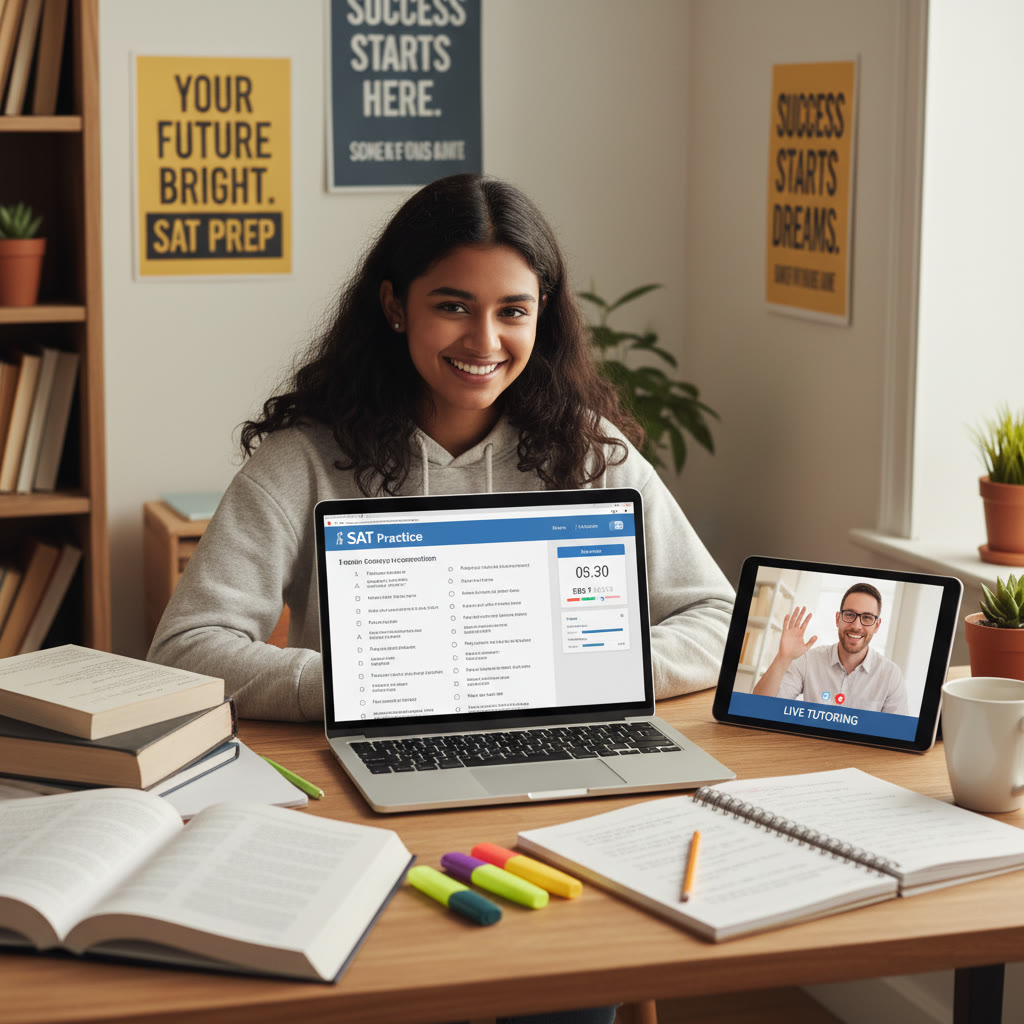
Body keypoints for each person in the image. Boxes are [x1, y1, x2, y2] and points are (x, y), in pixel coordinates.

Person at [148, 173, 735, 721]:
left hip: (562, 741)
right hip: (375, 753)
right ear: (395, 306)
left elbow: (717, 620)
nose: (485, 340)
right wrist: (375, 687)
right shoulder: (300, 461)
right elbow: (185, 651)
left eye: (513, 311)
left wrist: (575, 678)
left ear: (541, 316)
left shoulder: (589, 450)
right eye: (453, 306)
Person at [751, 583, 909, 714]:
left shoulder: (890, 675)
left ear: (877, 625)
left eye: (867, 617)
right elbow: (759, 708)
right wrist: (782, 658)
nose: (856, 625)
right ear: (837, 619)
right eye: (849, 615)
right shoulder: (809, 660)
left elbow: (897, 732)